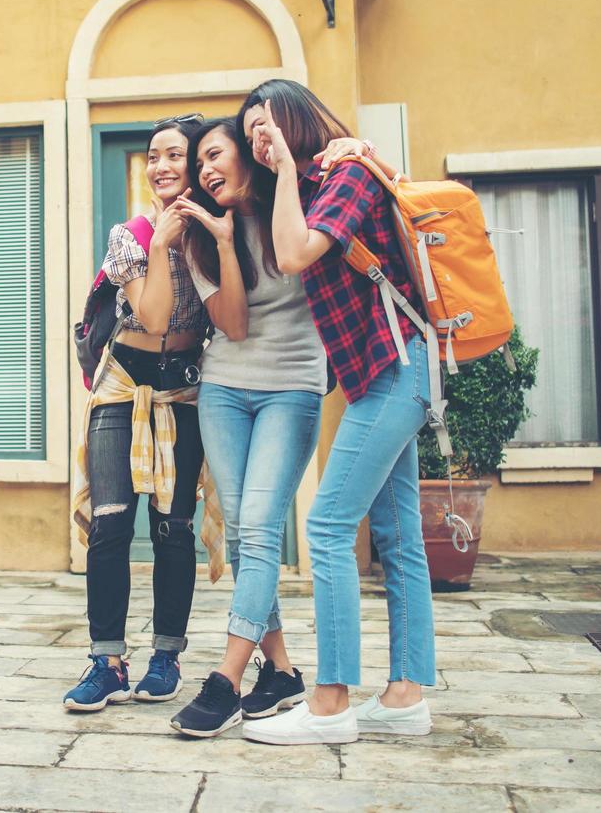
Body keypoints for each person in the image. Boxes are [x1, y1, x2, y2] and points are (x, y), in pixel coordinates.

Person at [237, 78, 435, 746]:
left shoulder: (343, 172)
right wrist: (284, 176)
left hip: (397, 369)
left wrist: (290, 167)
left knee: (325, 525)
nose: (257, 140)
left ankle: (329, 703)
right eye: (249, 135)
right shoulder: (317, 183)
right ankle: (405, 695)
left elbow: (294, 255)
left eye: (264, 124)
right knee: (397, 532)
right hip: (384, 375)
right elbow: (288, 244)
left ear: (292, 118)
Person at [165, 118, 326, 738]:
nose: (205, 170)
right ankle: (281, 670)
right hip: (226, 389)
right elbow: (231, 325)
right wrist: (225, 242)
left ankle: (227, 678)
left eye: (214, 155)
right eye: (198, 163)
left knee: (257, 529)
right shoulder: (202, 237)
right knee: (242, 534)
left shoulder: (296, 204)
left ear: (245, 154)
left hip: (292, 387)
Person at [65, 116, 219, 711]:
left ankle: (165, 656)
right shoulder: (129, 236)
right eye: (153, 155)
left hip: (181, 391)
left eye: (174, 155)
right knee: (109, 523)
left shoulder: (214, 234)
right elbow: (154, 317)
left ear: (199, 163)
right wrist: (160, 243)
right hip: (122, 385)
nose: (161, 166)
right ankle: (106, 660)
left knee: (173, 529)